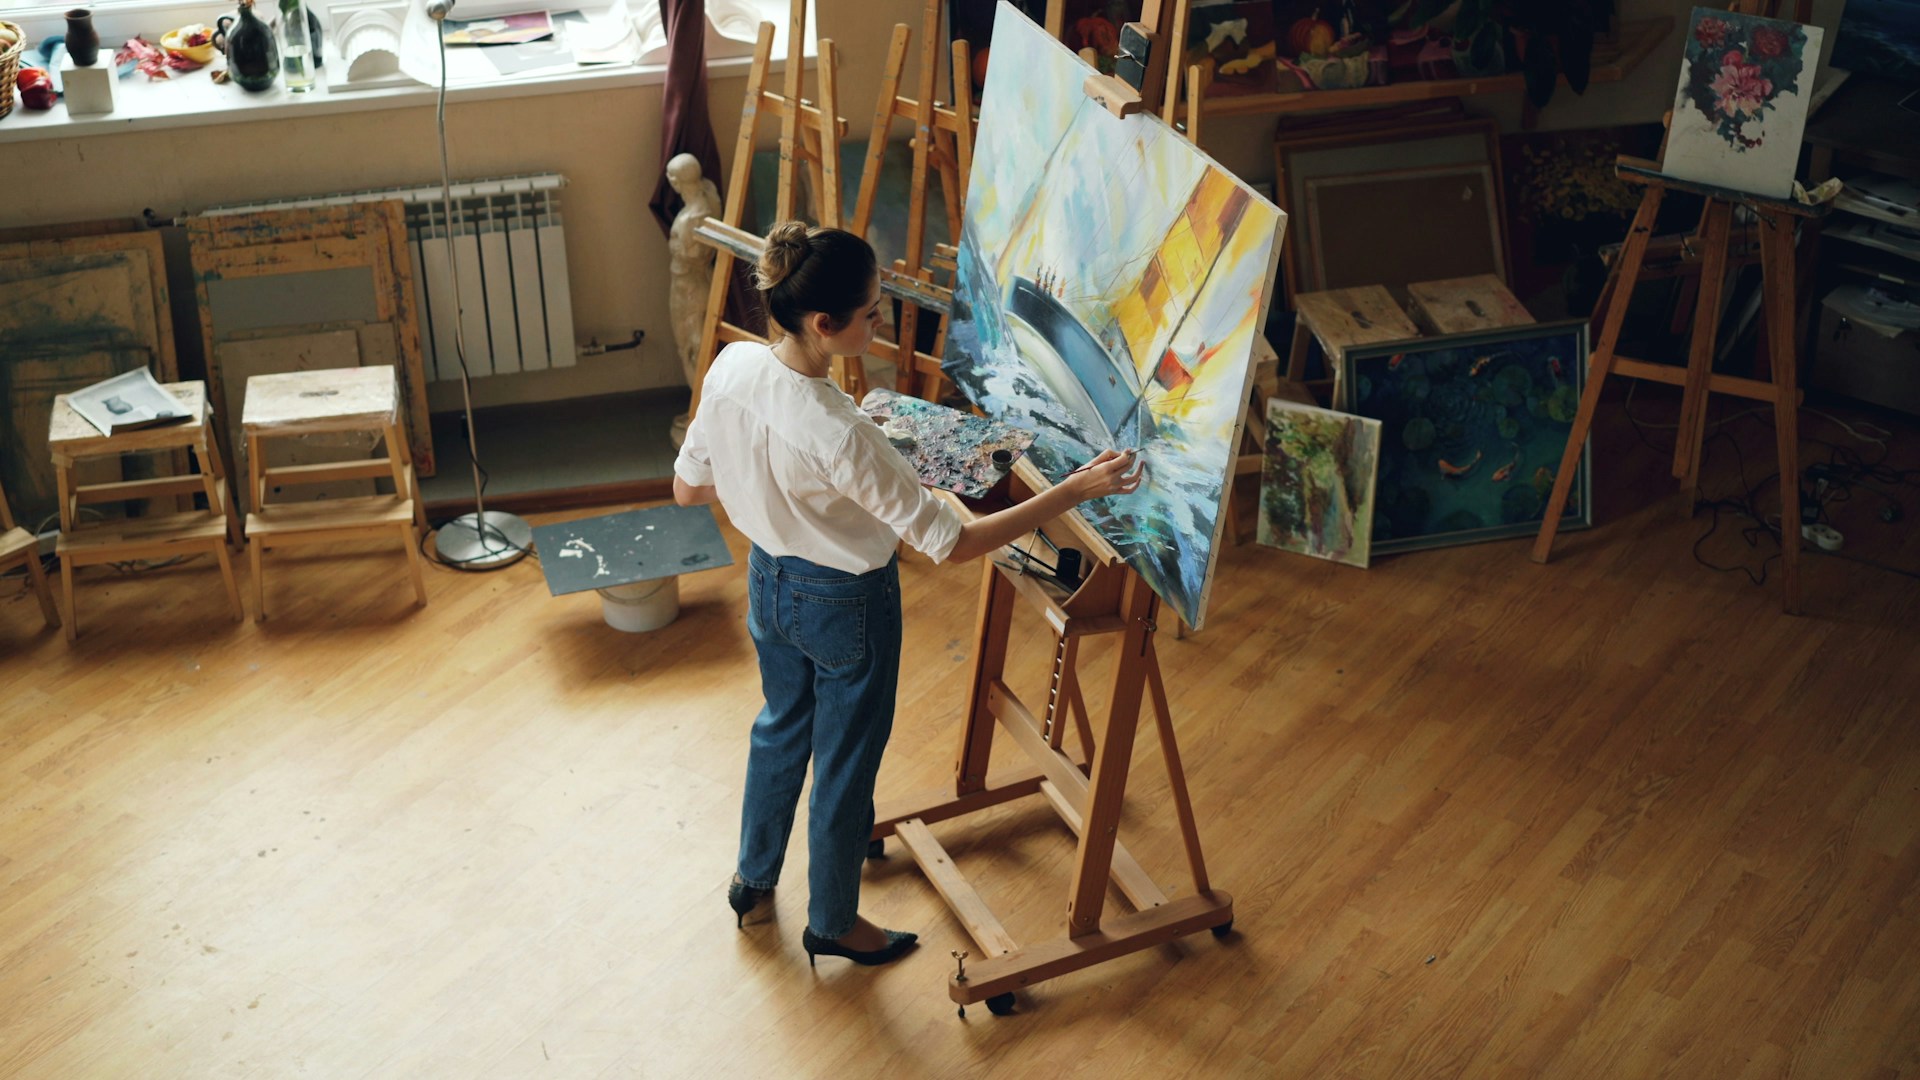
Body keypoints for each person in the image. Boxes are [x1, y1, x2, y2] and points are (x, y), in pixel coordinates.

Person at [672, 221, 1142, 968]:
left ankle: (753, 879)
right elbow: (951, 544)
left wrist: (782, 487)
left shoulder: (732, 367)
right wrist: (1075, 490)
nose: (882, 320)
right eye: (872, 311)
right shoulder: (839, 434)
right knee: (846, 762)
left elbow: (688, 487)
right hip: (845, 603)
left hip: (767, 583)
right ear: (825, 325)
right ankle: (831, 921)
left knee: (780, 728)